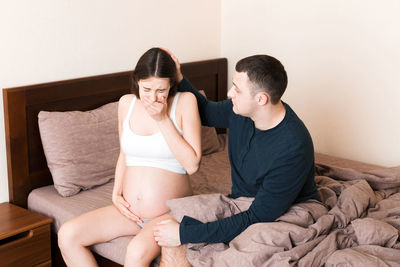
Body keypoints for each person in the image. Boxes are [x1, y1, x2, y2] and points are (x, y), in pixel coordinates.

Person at [153, 52, 319, 264]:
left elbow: (258, 217)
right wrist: (178, 78)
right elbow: (206, 111)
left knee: (232, 254)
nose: (230, 93)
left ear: (261, 99)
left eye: (237, 89)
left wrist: (184, 235)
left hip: (284, 211)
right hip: (242, 202)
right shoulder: (240, 111)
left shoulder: (292, 146)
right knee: (170, 228)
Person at [57, 48, 202, 267]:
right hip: (131, 212)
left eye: (161, 90)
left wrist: (162, 119)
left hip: (169, 212)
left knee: (135, 252)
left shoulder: (185, 101)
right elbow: (125, 153)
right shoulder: (126, 103)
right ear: (137, 81)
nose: (153, 97)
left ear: (171, 84)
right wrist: (116, 194)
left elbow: (192, 164)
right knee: (68, 235)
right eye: (146, 89)